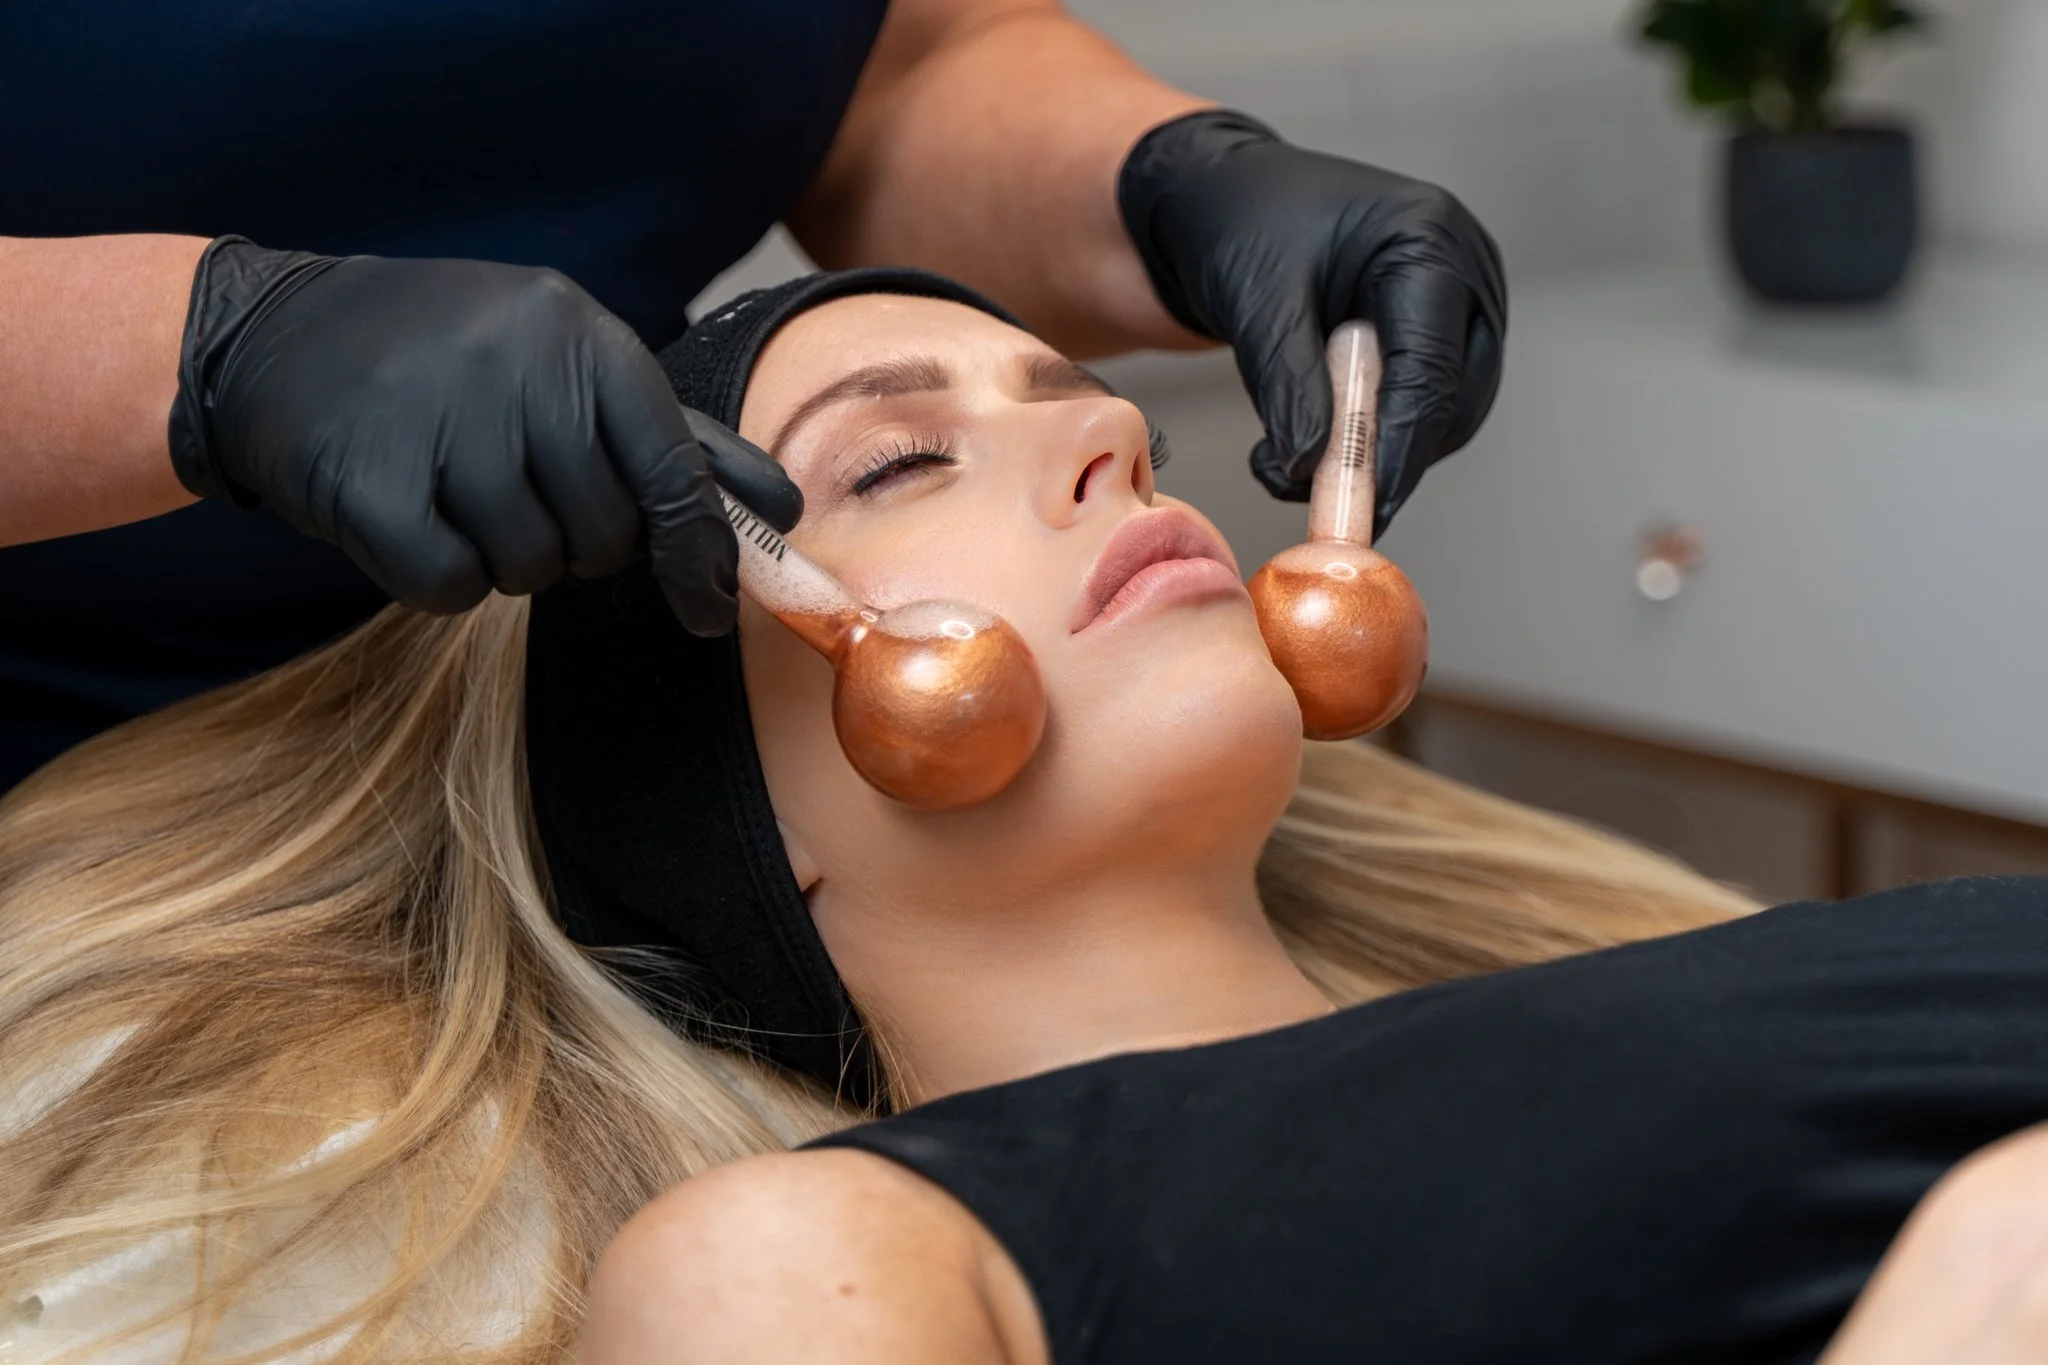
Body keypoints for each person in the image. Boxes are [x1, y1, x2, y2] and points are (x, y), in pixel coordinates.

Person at [0, 270, 2035, 1365]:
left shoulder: (1716, 979)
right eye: (891, 465)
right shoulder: (814, 1258)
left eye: (1076, 393)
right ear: (727, 823)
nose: (1109, 428)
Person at [0, 0, 1507, 794]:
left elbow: (902, 62)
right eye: (898, 460)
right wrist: (203, 352)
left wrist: (1172, 178)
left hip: (570, 701)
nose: (1114, 431)